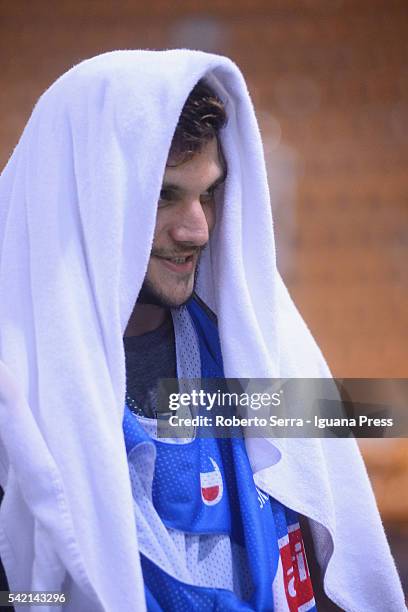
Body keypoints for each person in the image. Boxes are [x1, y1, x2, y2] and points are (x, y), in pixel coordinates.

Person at [0, 50, 405, 611]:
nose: (197, 228)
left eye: (208, 193)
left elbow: (343, 512)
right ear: (84, 196)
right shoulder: (17, 398)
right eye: (164, 194)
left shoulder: (248, 354)